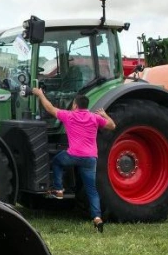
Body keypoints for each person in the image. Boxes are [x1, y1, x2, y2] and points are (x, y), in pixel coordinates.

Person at [31, 87, 116, 232]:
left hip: (73, 156)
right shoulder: (95, 118)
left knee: (57, 162)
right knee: (92, 190)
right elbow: (113, 126)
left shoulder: (69, 116)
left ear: (75, 105)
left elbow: (50, 108)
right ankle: (97, 218)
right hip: (90, 159)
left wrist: (40, 94)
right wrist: (105, 115)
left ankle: (58, 189)